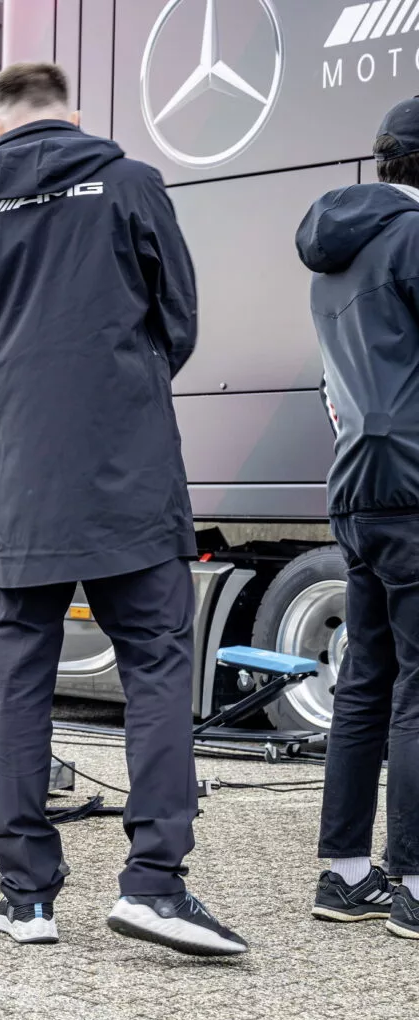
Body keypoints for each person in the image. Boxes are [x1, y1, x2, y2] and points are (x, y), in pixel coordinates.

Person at [0, 62, 245, 955]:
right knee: (154, 672)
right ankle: (154, 886)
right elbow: (177, 321)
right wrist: (116, 388)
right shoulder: (130, 182)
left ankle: (26, 898)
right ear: (71, 114)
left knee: (20, 685)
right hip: (126, 473)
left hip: (14, 480)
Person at [295, 97, 419, 941]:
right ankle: (414, 882)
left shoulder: (336, 255)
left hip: (359, 492)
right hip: (416, 482)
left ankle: (345, 874)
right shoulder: (415, 238)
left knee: (366, 684)